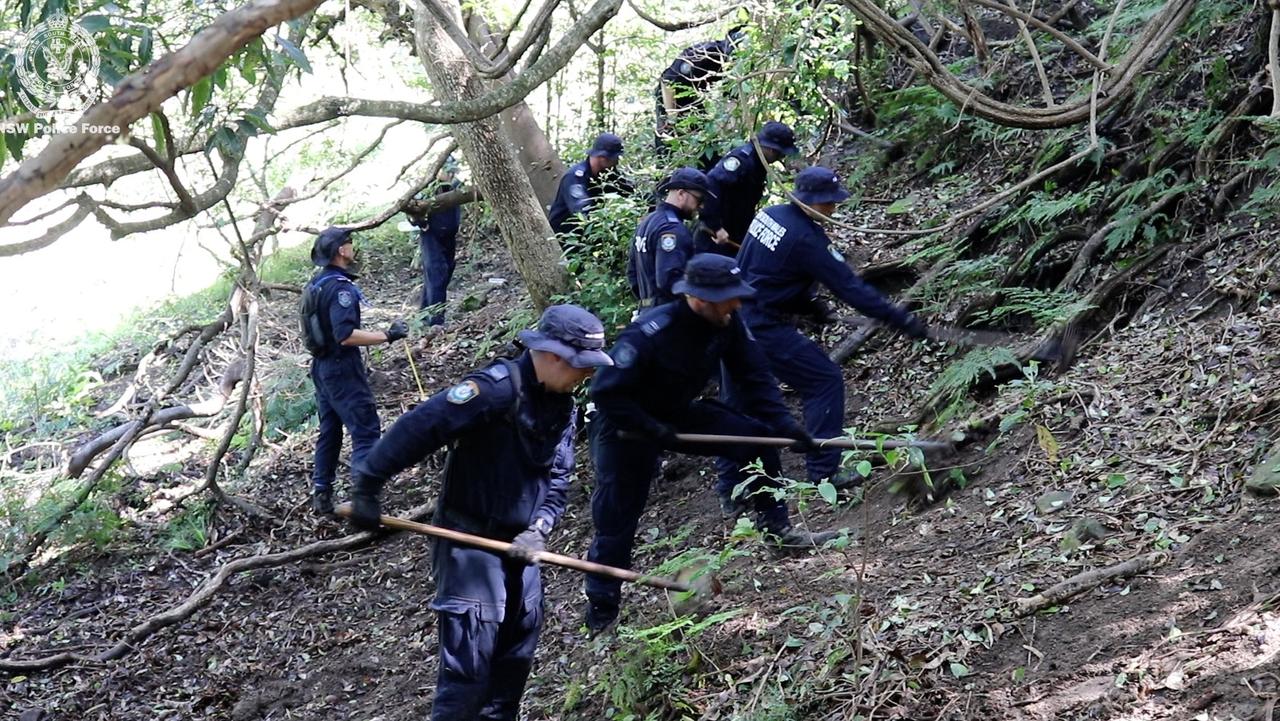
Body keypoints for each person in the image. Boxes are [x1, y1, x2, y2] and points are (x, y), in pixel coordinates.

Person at [346, 304, 614, 721]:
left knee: (513, 667)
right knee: (468, 676)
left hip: (521, 550)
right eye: (581, 366)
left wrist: (539, 530)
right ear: (551, 355)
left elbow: (558, 476)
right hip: (467, 543)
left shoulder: (562, 405)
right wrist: (369, 483)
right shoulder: (492, 391)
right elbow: (422, 426)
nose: (586, 375)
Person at [585, 254, 836, 633]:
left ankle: (778, 530)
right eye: (729, 297)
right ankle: (602, 609)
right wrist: (651, 429)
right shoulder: (652, 331)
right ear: (700, 297)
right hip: (626, 426)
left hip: (677, 411)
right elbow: (606, 393)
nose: (737, 304)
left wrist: (786, 425)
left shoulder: (726, 323)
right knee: (617, 515)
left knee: (758, 440)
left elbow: (753, 375)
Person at [735, 167, 928, 487]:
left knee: (741, 400)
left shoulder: (769, 215)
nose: (833, 208)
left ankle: (734, 488)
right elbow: (850, 288)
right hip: (761, 326)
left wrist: (807, 305)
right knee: (823, 380)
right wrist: (901, 320)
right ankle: (824, 471)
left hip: (734, 318)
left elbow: (759, 270)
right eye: (828, 202)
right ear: (810, 201)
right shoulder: (807, 239)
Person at [299, 226, 408, 515]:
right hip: (341, 368)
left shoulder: (317, 284)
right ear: (341, 251)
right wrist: (388, 335)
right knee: (365, 431)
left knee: (330, 431)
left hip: (322, 369)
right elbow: (345, 335)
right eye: (349, 242)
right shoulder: (341, 288)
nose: (352, 247)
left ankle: (322, 495)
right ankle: (365, 501)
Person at [695, 121, 799, 257]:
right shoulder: (743, 160)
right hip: (715, 237)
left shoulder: (759, 164)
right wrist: (715, 226)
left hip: (735, 234)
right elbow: (711, 186)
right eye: (779, 153)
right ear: (770, 149)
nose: (781, 157)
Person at [654, 27, 747, 167]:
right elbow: (668, 81)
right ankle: (664, 173)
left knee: (704, 139)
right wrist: (671, 116)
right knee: (668, 139)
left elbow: (731, 100)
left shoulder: (734, 68)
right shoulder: (705, 53)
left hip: (692, 97)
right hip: (669, 95)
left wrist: (728, 131)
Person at [626, 167, 715, 308]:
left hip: (648, 311)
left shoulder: (648, 221)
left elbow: (632, 274)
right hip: (668, 312)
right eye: (699, 199)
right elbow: (670, 280)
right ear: (681, 194)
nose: (700, 206)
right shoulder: (672, 229)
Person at [408, 156, 463, 325]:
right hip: (432, 237)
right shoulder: (428, 187)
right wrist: (422, 223)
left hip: (449, 236)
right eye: (448, 170)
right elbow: (411, 210)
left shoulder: (456, 185)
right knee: (437, 273)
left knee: (443, 274)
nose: (451, 173)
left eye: (453, 170)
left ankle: (424, 315)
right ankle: (436, 322)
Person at [547, 132, 629, 234]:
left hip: (593, 237)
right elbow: (583, 212)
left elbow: (629, 193)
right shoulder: (574, 177)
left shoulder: (610, 175)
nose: (616, 162)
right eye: (614, 158)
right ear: (603, 157)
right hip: (567, 240)